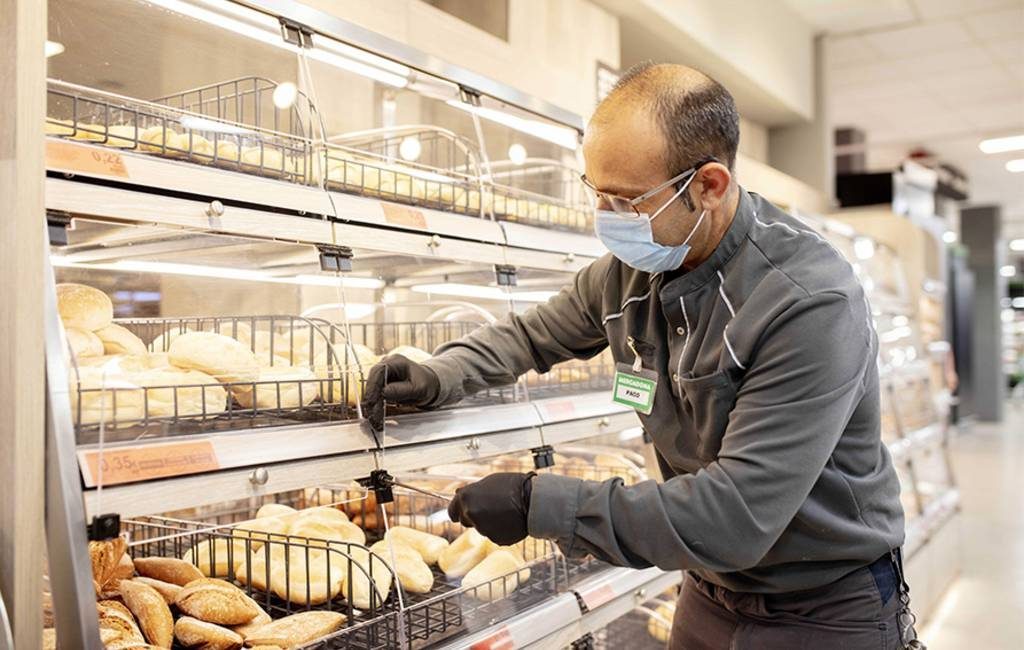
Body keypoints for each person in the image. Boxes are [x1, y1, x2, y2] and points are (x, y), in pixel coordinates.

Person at [363, 63, 917, 649]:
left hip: (824, 605)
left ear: (709, 185)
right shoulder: (630, 274)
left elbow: (736, 516)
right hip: (707, 586)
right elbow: (531, 335)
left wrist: (537, 503)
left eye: (626, 200)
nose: (607, 218)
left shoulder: (806, 302)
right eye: (596, 193)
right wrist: (437, 374)